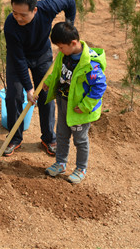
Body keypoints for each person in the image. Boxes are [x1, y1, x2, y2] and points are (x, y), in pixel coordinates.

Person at [3, 0, 76, 157]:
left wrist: (69, 25)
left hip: (42, 55)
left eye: (23, 14)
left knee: (46, 94)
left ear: (34, 10)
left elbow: (70, 1)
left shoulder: (47, 8)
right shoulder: (10, 25)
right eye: (14, 13)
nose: (18, 18)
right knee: (14, 94)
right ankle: (14, 138)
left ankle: (49, 138)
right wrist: (28, 88)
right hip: (18, 57)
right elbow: (19, 60)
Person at [43, 21, 107, 184]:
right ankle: (61, 163)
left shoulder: (90, 65)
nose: (59, 50)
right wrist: (50, 81)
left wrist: (85, 106)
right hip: (64, 103)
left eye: (61, 47)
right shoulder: (65, 56)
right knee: (62, 135)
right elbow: (57, 71)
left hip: (80, 110)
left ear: (73, 43)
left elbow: (99, 87)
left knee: (80, 139)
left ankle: (81, 168)